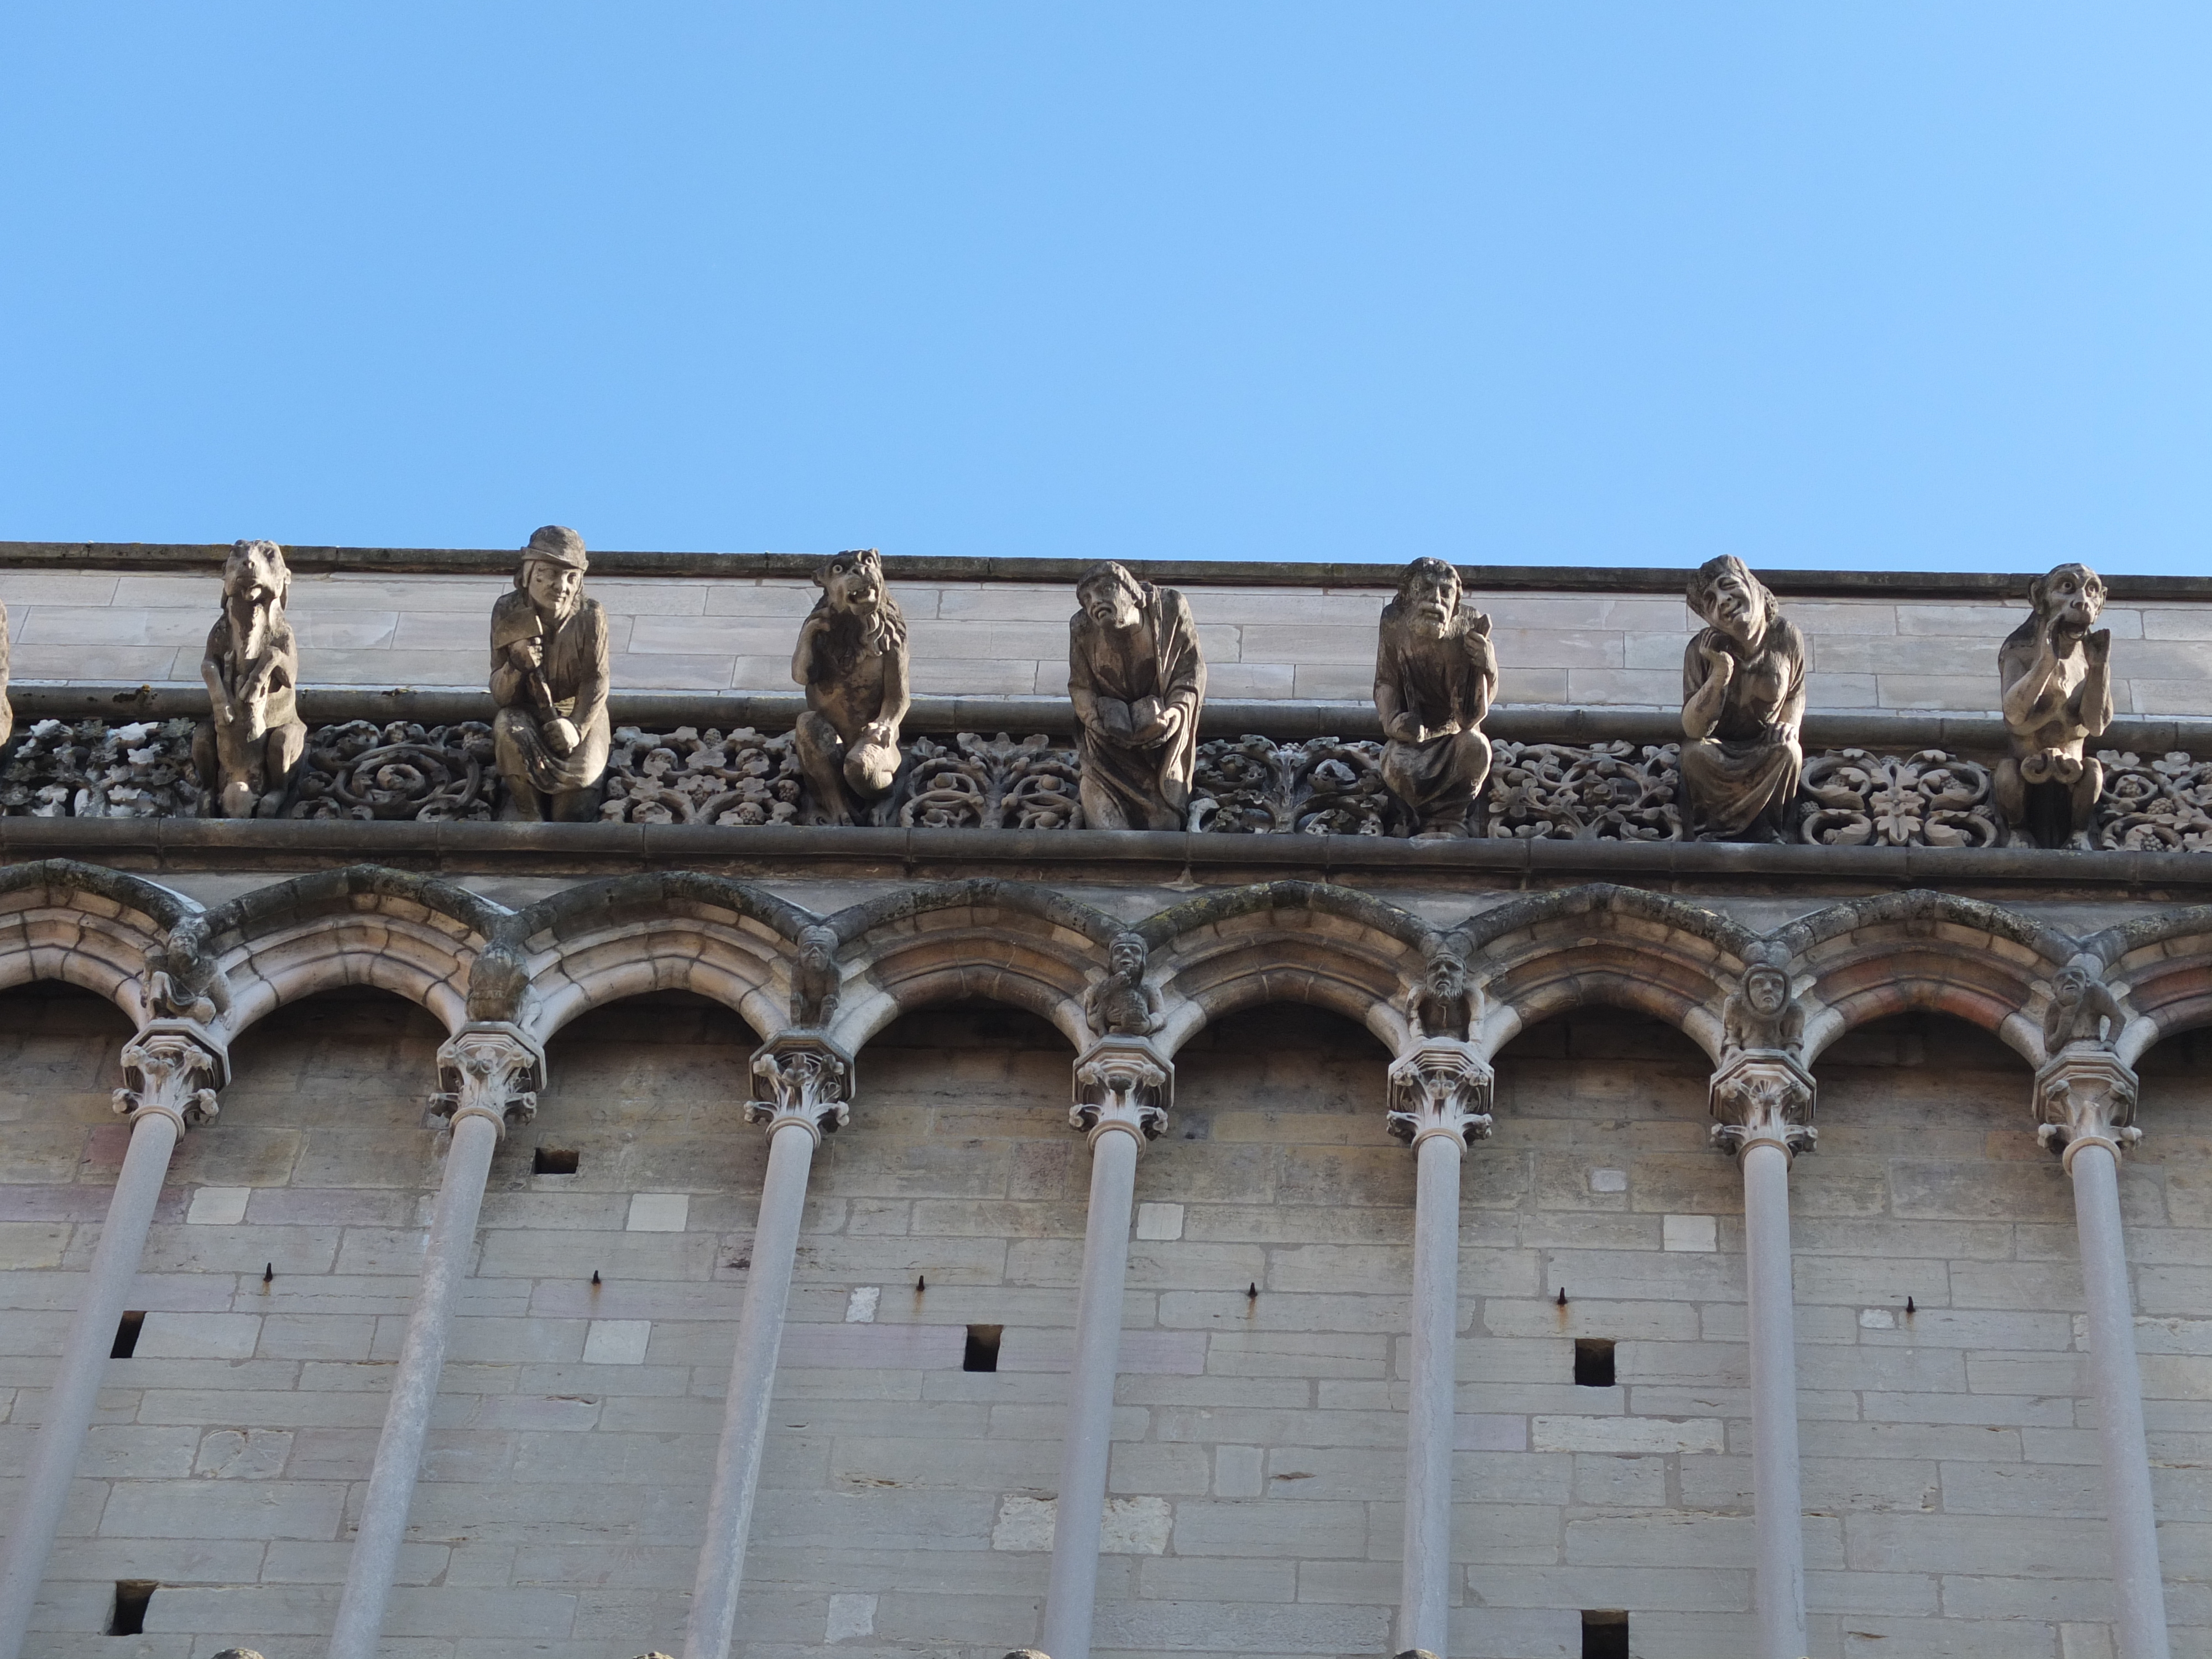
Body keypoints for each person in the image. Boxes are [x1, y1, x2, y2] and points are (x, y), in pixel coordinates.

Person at [1067, 561, 1206, 830]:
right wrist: (1095, 720)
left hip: (1160, 741)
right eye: (1087, 599)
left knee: (1165, 827)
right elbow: (1080, 686)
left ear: (1133, 593)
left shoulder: (1168, 608)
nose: (1095, 602)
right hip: (1107, 748)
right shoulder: (1082, 628)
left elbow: (1190, 673)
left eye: (1105, 590)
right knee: (1107, 832)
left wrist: (1176, 712)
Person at [1681, 555, 1806, 841]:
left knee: (1790, 752)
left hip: (1766, 747)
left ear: (1754, 587)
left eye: (1728, 586)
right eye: (1710, 602)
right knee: (1694, 755)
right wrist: (1721, 670)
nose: (1723, 601)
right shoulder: (1701, 649)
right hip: (1717, 749)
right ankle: (1717, 829)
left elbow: (1796, 692)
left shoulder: (1786, 637)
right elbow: (1693, 729)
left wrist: (1791, 725)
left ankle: (1767, 827)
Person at [491, 525, 611, 822]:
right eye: (551, 573)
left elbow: (596, 679)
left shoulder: (589, 615)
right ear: (530, 573)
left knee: (571, 816)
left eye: (572, 577)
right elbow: (500, 694)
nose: (562, 586)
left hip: (580, 712)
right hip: (528, 713)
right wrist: (516, 666)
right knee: (508, 727)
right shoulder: (508, 610)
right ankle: (526, 810)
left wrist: (577, 726)